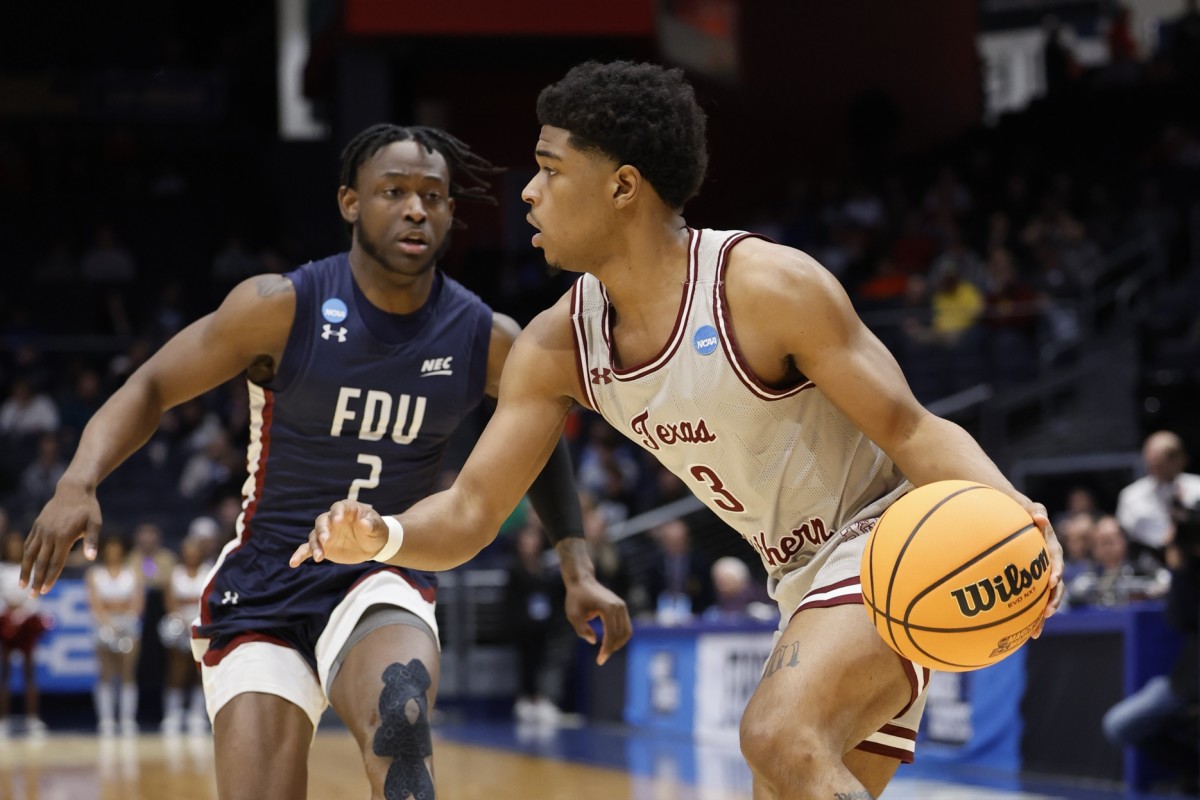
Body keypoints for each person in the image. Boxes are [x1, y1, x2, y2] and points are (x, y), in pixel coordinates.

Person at [292, 61, 1065, 799]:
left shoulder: (764, 287)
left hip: (890, 540)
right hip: (798, 582)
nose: (527, 193)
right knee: (791, 766)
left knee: (774, 733)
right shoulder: (556, 345)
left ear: (624, 185)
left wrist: (1016, 522)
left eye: (550, 169)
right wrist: (383, 535)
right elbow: (471, 513)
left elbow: (911, 429)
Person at [19, 124, 631, 800]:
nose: (416, 209)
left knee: (400, 717)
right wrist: (78, 480)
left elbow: (538, 436)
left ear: (453, 211)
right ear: (349, 202)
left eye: (434, 195)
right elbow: (153, 385)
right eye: (392, 192)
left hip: (381, 571)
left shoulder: (485, 338)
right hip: (265, 579)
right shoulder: (279, 307)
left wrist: (577, 569)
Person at [86, 534, 144, 736]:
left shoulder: (132, 573)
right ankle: (106, 719)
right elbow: (95, 604)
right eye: (109, 548)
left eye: (117, 547)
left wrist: (125, 620)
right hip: (104, 627)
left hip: (128, 627)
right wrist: (108, 623)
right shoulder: (95, 574)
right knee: (106, 672)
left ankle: (127, 719)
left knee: (128, 672)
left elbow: (137, 603)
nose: (113, 552)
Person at [1117, 430, 1200, 563]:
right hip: (1150, 563)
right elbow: (1124, 538)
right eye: (1152, 462)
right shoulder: (1131, 496)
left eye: (1165, 460)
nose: (1157, 467)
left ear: (1180, 458)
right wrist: (1166, 542)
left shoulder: (1197, 488)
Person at [0, 530, 51, 737]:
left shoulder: (32, 569)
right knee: (4, 672)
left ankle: (32, 719)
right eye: (11, 544)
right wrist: (9, 612)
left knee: (29, 672)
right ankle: (3, 720)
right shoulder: (1, 570)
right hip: (5, 623)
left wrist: (22, 612)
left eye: (18, 544)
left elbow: (36, 596)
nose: (14, 548)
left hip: (27, 623)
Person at [160, 535, 211, 736]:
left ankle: (197, 713)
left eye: (194, 551)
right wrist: (180, 620)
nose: (191, 555)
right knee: (177, 671)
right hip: (179, 627)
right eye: (187, 552)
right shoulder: (175, 574)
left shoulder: (208, 572)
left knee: (201, 671)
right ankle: (173, 713)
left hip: (202, 626)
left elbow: (209, 601)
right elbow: (170, 602)